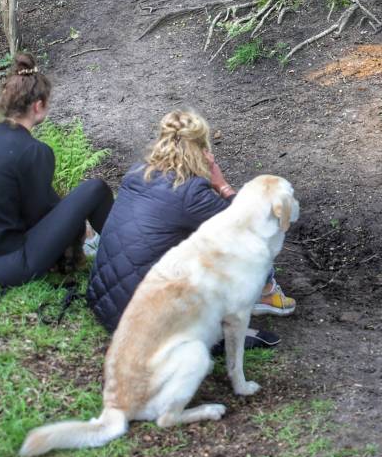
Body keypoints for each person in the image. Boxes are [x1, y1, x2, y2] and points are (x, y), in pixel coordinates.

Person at [86, 109, 293, 348]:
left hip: (104, 304)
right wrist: (221, 184)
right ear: (202, 147)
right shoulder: (191, 192)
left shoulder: (137, 172)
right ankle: (264, 293)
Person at [0, 53, 114, 288]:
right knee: (95, 189)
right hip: (4, 268)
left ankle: (109, 243)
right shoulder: (34, 151)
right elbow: (40, 217)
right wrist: (78, 227)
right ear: (38, 106)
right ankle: (129, 249)